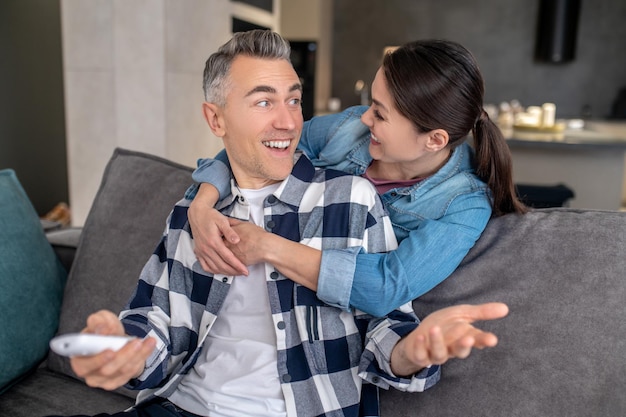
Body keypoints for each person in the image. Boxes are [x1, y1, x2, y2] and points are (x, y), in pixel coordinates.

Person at [57, 30, 508, 417]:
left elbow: (387, 299)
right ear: (215, 118)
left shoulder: (363, 198)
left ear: (434, 140)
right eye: (264, 101)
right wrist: (125, 349)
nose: (290, 119)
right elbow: (157, 322)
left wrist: (410, 353)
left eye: (294, 99)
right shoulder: (199, 211)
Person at [187, 39, 528, 317]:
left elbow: (385, 288)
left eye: (380, 114)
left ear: (435, 140)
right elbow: (257, 147)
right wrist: (202, 203)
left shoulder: (463, 205)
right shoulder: (350, 129)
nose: (364, 118)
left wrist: (267, 247)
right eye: (371, 104)